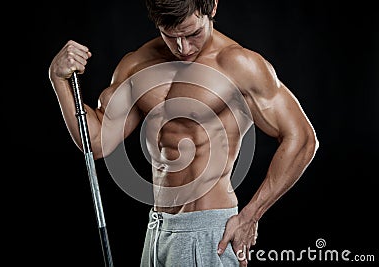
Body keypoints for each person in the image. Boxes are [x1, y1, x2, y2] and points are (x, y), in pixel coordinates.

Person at [48, 0, 319, 266]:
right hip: (156, 231)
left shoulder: (237, 64)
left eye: (193, 34)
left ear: (211, 7)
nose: (183, 48)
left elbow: (303, 138)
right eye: (170, 36)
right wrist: (59, 80)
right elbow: (95, 142)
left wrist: (251, 215)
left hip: (208, 231)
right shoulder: (135, 64)